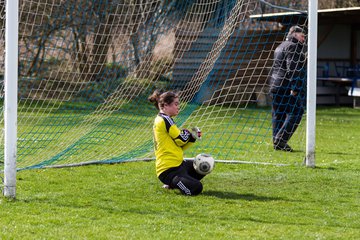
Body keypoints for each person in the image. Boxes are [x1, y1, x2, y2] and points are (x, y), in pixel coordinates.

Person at [148, 90, 206, 196]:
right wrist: (188, 133)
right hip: (168, 170)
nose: (178, 107)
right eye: (176, 104)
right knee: (197, 188)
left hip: (179, 165)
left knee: (204, 163)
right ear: (165, 105)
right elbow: (182, 138)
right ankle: (175, 182)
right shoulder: (164, 120)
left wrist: (192, 137)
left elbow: (180, 145)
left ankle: (179, 182)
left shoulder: (164, 119)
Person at [269, 25, 307, 152]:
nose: (304, 39)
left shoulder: (280, 46)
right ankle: (281, 139)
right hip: (286, 86)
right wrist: (295, 87)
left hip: (275, 85)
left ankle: (276, 142)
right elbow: (293, 68)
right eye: (302, 36)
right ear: (295, 34)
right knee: (297, 112)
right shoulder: (292, 46)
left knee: (278, 114)